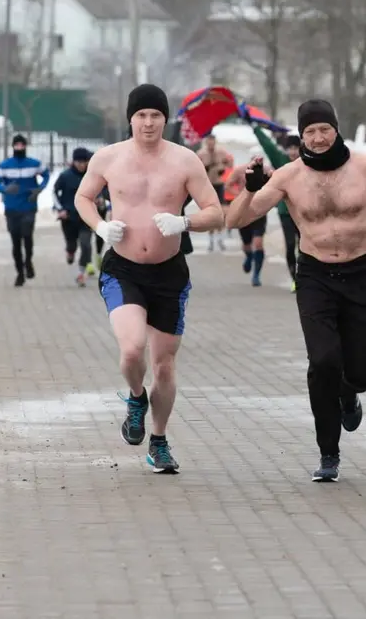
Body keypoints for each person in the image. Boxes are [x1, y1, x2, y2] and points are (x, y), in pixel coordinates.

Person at [225, 99, 366, 483]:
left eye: (324, 129)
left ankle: (348, 393)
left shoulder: (364, 167)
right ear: (301, 135)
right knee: (322, 361)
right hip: (316, 277)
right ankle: (328, 452)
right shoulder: (288, 176)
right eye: (309, 132)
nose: (318, 138)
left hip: (362, 274)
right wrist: (250, 190)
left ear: (336, 129)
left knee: (365, 373)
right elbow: (235, 219)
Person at [75, 83, 224, 474]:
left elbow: (216, 212)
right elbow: (82, 198)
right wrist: (100, 227)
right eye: (141, 115)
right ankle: (136, 397)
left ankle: (158, 441)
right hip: (123, 268)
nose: (148, 122)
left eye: (156, 115)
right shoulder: (108, 158)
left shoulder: (185, 161)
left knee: (165, 366)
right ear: (130, 118)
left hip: (169, 273)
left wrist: (184, 221)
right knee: (131, 350)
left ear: (165, 119)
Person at [0, 134, 50, 287]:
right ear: (13, 147)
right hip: (11, 208)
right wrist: (5, 189)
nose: (19, 148)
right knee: (15, 241)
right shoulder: (4, 165)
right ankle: (20, 273)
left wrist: (39, 189)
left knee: (27, 235)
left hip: (29, 206)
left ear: (25, 147)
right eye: (16, 145)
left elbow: (46, 175)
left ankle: (28, 261)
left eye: (22, 145)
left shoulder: (34, 163)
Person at [250, 120, 302, 292]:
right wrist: (256, 128)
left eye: (296, 148)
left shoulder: (306, 163)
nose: (293, 152)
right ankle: (295, 278)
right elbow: (268, 145)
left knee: (305, 246)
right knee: (289, 246)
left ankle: (305, 278)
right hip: (285, 212)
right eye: (290, 148)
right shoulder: (281, 160)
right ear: (287, 149)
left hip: (303, 211)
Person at [52, 147, 95, 286]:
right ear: (74, 162)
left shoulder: (92, 175)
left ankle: (81, 273)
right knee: (72, 244)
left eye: (84, 162)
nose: (81, 165)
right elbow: (54, 192)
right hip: (68, 217)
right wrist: (60, 209)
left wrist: (99, 201)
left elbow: (100, 190)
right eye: (78, 162)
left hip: (86, 217)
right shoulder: (65, 176)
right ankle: (70, 252)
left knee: (86, 244)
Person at [224, 159, 268, 286]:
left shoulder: (267, 170)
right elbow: (228, 185)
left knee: (258, 243)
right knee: (247, 244)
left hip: (259, 210)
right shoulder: (240, 170)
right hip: (244, 211)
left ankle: (256, 275)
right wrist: (240, 195)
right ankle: (249, 256)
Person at [196, 132, 232, 252]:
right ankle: (211, 240)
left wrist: (223, 168)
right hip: (208, 185)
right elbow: (194, 168)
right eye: (209, 141)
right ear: (206, 142)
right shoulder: (201, 154)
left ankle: (220, 238)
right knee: (210, 212)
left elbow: (230, 162)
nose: (211, 144)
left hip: (219, 184)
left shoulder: (221, 152)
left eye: (213, 141)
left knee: (221, 212)